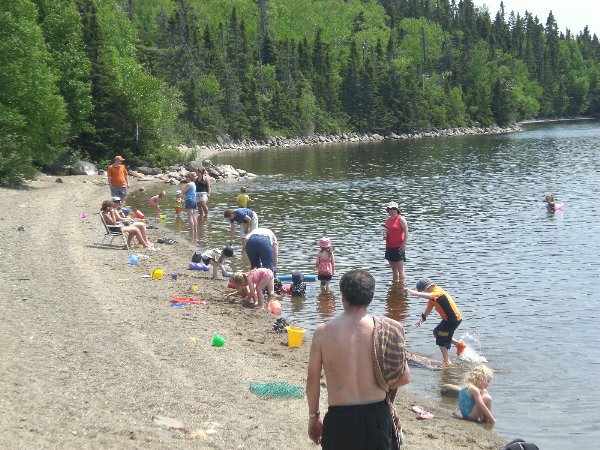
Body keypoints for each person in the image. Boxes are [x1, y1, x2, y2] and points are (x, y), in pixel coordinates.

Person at [307, 269, 410, 449]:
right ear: (370, 297)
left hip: (340, 419)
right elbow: (404, 377)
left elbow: (312, 380)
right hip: (378, 415)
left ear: (343, 296)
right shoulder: (386, 329)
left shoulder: (322, 332)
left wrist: (314, 417)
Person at [407, 278, 466, 365]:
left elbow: (431, 296)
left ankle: (447, 361)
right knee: (436, 332)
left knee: (441, 338)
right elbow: (429, 308)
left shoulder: (438, 292)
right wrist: (422, 319)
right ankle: (459, 345)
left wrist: (414, 293)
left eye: (424, 291)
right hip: (448, 319)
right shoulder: (432, 297)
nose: (424, 293)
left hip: (452, 319)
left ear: (428, 288)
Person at [384, 201, 408, 282]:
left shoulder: (401, 219)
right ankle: (395, 286)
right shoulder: (388, 220)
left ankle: (402, 287)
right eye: (390, 209)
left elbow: (406, 233)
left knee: (400, 270)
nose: (392, 210)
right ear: (388, 210)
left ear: (397, 209)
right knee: (394, 270)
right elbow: (386, 230)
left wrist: (403, 246)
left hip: (399, 247)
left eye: (394, 208)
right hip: (389, 246)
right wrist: (384, 234)